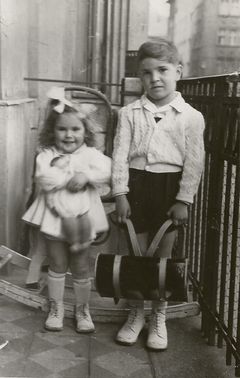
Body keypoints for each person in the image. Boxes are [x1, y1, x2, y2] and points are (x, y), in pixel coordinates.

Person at [112, 39, 205, 350]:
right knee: (135, 254)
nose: (155, 79)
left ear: (178, 71)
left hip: (169, 189)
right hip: (136, 188)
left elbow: (194, 162)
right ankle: (136, 314)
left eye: (162, 70)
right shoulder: (128, 113)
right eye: (146, 72)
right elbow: (120, 155)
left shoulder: (191, 116)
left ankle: (158, 317)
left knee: (162, 257)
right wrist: (121, 194)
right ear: (140, 77)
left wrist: (183, 200)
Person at [22, 87, 112, 333]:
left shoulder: (91, 155)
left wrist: (86, 175)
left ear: (85, 132)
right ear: (52, 132)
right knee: (58, 263)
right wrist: (68, 177)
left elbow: (107, 171)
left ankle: (83, 309)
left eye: (75, 129)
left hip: (82, 218)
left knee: (81, 265)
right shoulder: (47, 155)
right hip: (54, 218)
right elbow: (45, 178)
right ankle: (56, 306)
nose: (69, 135)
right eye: (62, 129)